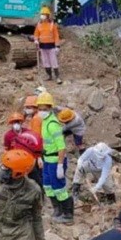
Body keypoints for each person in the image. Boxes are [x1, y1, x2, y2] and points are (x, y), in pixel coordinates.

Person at [37, 92, 75, 224]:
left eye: (44, 109)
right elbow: (44, 142)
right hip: (47, 159)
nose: (41, 112)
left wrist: (60, 165)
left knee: (59, 188)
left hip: (55, 161)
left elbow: (61, 147)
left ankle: (68, 215)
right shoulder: (44, 122)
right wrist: (40, 157)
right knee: (47, 186)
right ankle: (57, 210)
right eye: (40, 109)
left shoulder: (52, 124)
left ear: (50, 108)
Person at [33, 6, 62, 84]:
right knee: (45, 62)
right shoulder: (39, 25)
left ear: (48, 15)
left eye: (44, 14)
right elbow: (36, 34)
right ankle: (49, 76)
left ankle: (57, 77)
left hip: (51, 46)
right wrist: (36, 40)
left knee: (54, 61)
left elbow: (56, 36)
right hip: (42, 46)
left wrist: (57, 46)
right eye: (42, 14)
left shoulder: (52, 25)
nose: (42, 16)